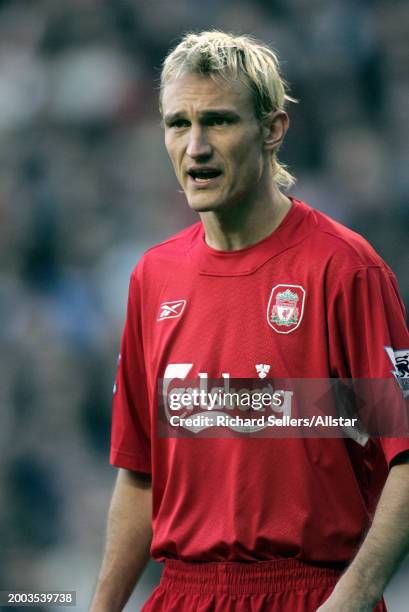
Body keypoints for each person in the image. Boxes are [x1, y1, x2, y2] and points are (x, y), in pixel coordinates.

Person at [90, 31, 409, 612]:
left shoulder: (345, 271)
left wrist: (350, 601)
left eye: (219, 121)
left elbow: (407, 460)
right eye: (178, 123)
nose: (196, 146)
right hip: (184, 594)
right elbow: (139, 476)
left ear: (272, 130)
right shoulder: (153, 278)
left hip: (311, 593)